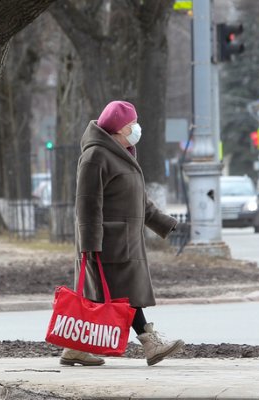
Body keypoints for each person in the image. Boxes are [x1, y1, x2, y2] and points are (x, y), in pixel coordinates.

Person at [60, 100, 185, 367]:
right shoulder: (95, 156)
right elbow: (87, 202)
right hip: (106, 241)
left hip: (123, 240)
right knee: (124, 295)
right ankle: (151, 345)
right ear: (118, 128)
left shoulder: (123, 152)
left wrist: (164, 223)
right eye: (132, 124)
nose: (136, 128)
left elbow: (139, 200)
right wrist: (91, 244)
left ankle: (73, 349)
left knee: (106, 296)